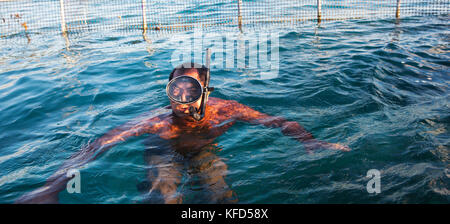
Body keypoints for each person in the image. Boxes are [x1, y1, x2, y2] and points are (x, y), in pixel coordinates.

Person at [16, 57, 350, 204]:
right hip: (163, 149)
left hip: (205, 150)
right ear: (169, 89)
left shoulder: (227, 109)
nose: (183, 98)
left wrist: (310, 140)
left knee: (218, 193)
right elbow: (98, 145)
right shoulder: (157, 121)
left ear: (207, 90)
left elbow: (276, 121)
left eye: (191, 89)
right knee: (162, 194)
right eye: (177, 88)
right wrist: (52, 187)